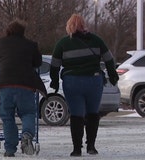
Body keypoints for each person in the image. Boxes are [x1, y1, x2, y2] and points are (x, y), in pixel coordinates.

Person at [49, 13, 119, 157]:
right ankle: (91, 146)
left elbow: (54, 65)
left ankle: (76, 149)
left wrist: (54, 81)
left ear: (69, 26)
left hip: (72, 82)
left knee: (76, 115)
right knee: (93, 114)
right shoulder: (96, 40)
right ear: (83, 25)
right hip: (93, 81)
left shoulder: (62, 43)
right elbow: (109, 59)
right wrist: (112, 75)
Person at [0, 20, 47, 157]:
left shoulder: (0, 43)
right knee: (28, 113)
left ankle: (10, 149)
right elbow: (38, 62)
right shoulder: (31, 45)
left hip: (5, 85)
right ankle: (27, 135)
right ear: (23, 32)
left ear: (8, 31)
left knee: (7, 117)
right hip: (26, 85)